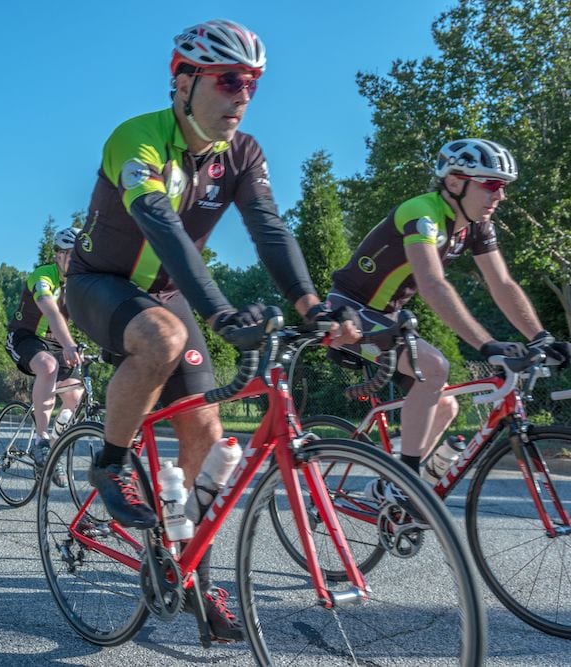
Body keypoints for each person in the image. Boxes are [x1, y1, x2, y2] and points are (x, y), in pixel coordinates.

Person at [64, 19, 358, 642]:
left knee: (206, 430)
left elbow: (270, 229)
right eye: (229, 81)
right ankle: (110, 464)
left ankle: (188, 567)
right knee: (164, 339)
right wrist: (222, 312)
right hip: (102, 283)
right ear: (184, 81)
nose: (243, 95)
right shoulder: (137, 139)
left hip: (168, 295)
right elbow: (162, 229)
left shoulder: (243, 153)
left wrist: (310, 306)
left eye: (251, 83)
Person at [328, 138, 571, 505]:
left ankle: (385, 482)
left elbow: (502, 284)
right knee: (435, 367)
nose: (500, 196)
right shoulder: (422, 213)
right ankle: (404, 482)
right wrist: (486, 345)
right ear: (456, 182)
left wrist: (540, 337)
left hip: (387, 317)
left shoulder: (476, 226)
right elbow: (431, 283)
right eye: (490, 185)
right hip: (349, 309)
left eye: (503, 186)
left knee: (446, 405)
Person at [5, 227, 84, 487]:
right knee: (48, 366)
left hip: (54, 342)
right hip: (24, 337)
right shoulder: (43, 276)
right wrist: (69, 344)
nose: (75, 261)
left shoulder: (80, 282)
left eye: (80, 256)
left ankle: (55, 447)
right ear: (58, 255)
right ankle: (41, 440)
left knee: (76, 392)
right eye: (70, 255)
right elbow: (50, 310)